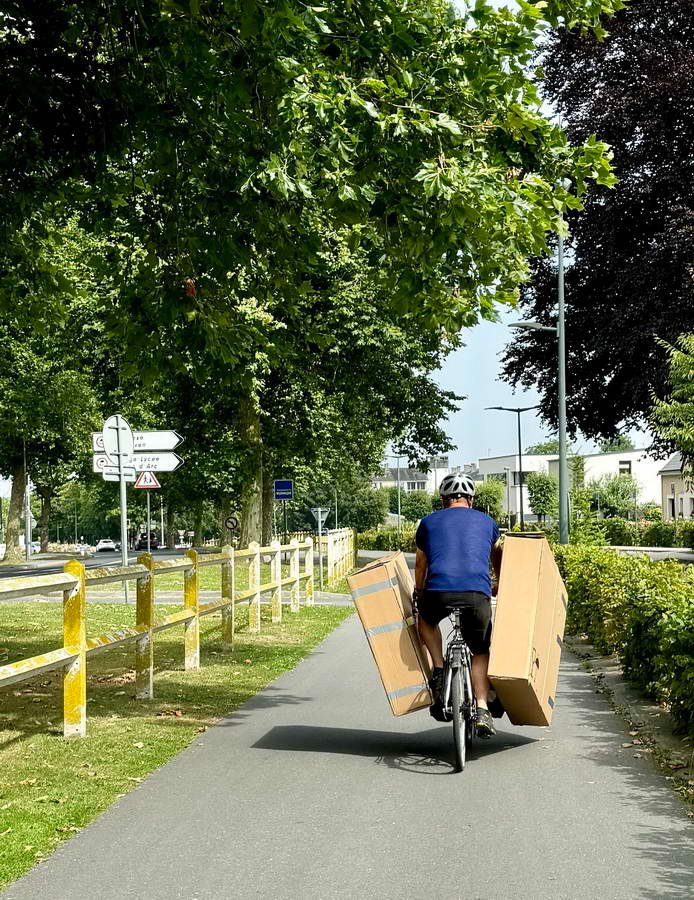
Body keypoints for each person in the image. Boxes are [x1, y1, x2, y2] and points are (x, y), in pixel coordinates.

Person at [414, 473, 502, 738]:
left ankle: (439, 668)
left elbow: (420, 563)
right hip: (476, 594)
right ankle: (483, 707)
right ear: (471, 500)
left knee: (426, 621)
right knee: (480, 648)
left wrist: (419, 592)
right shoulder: (488, 522)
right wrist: (499, 582)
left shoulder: (428, 522)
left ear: (443, 501)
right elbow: (498, 555)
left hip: (438, 592)